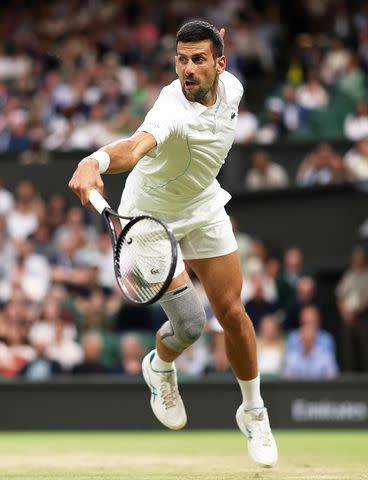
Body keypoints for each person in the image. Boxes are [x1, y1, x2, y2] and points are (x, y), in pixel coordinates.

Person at [69, 21, 277, 467]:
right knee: (190, 325)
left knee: (233, 313)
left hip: (202, 205)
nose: (187, 69)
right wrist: (96, 159)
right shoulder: (169, 107)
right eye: (181, 59)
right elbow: (134, 146)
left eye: (198, 59)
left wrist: (211, 39)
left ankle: (253, 410)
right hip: (149, 217)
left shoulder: (234, 89)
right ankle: (160, 366)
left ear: (220, 64)